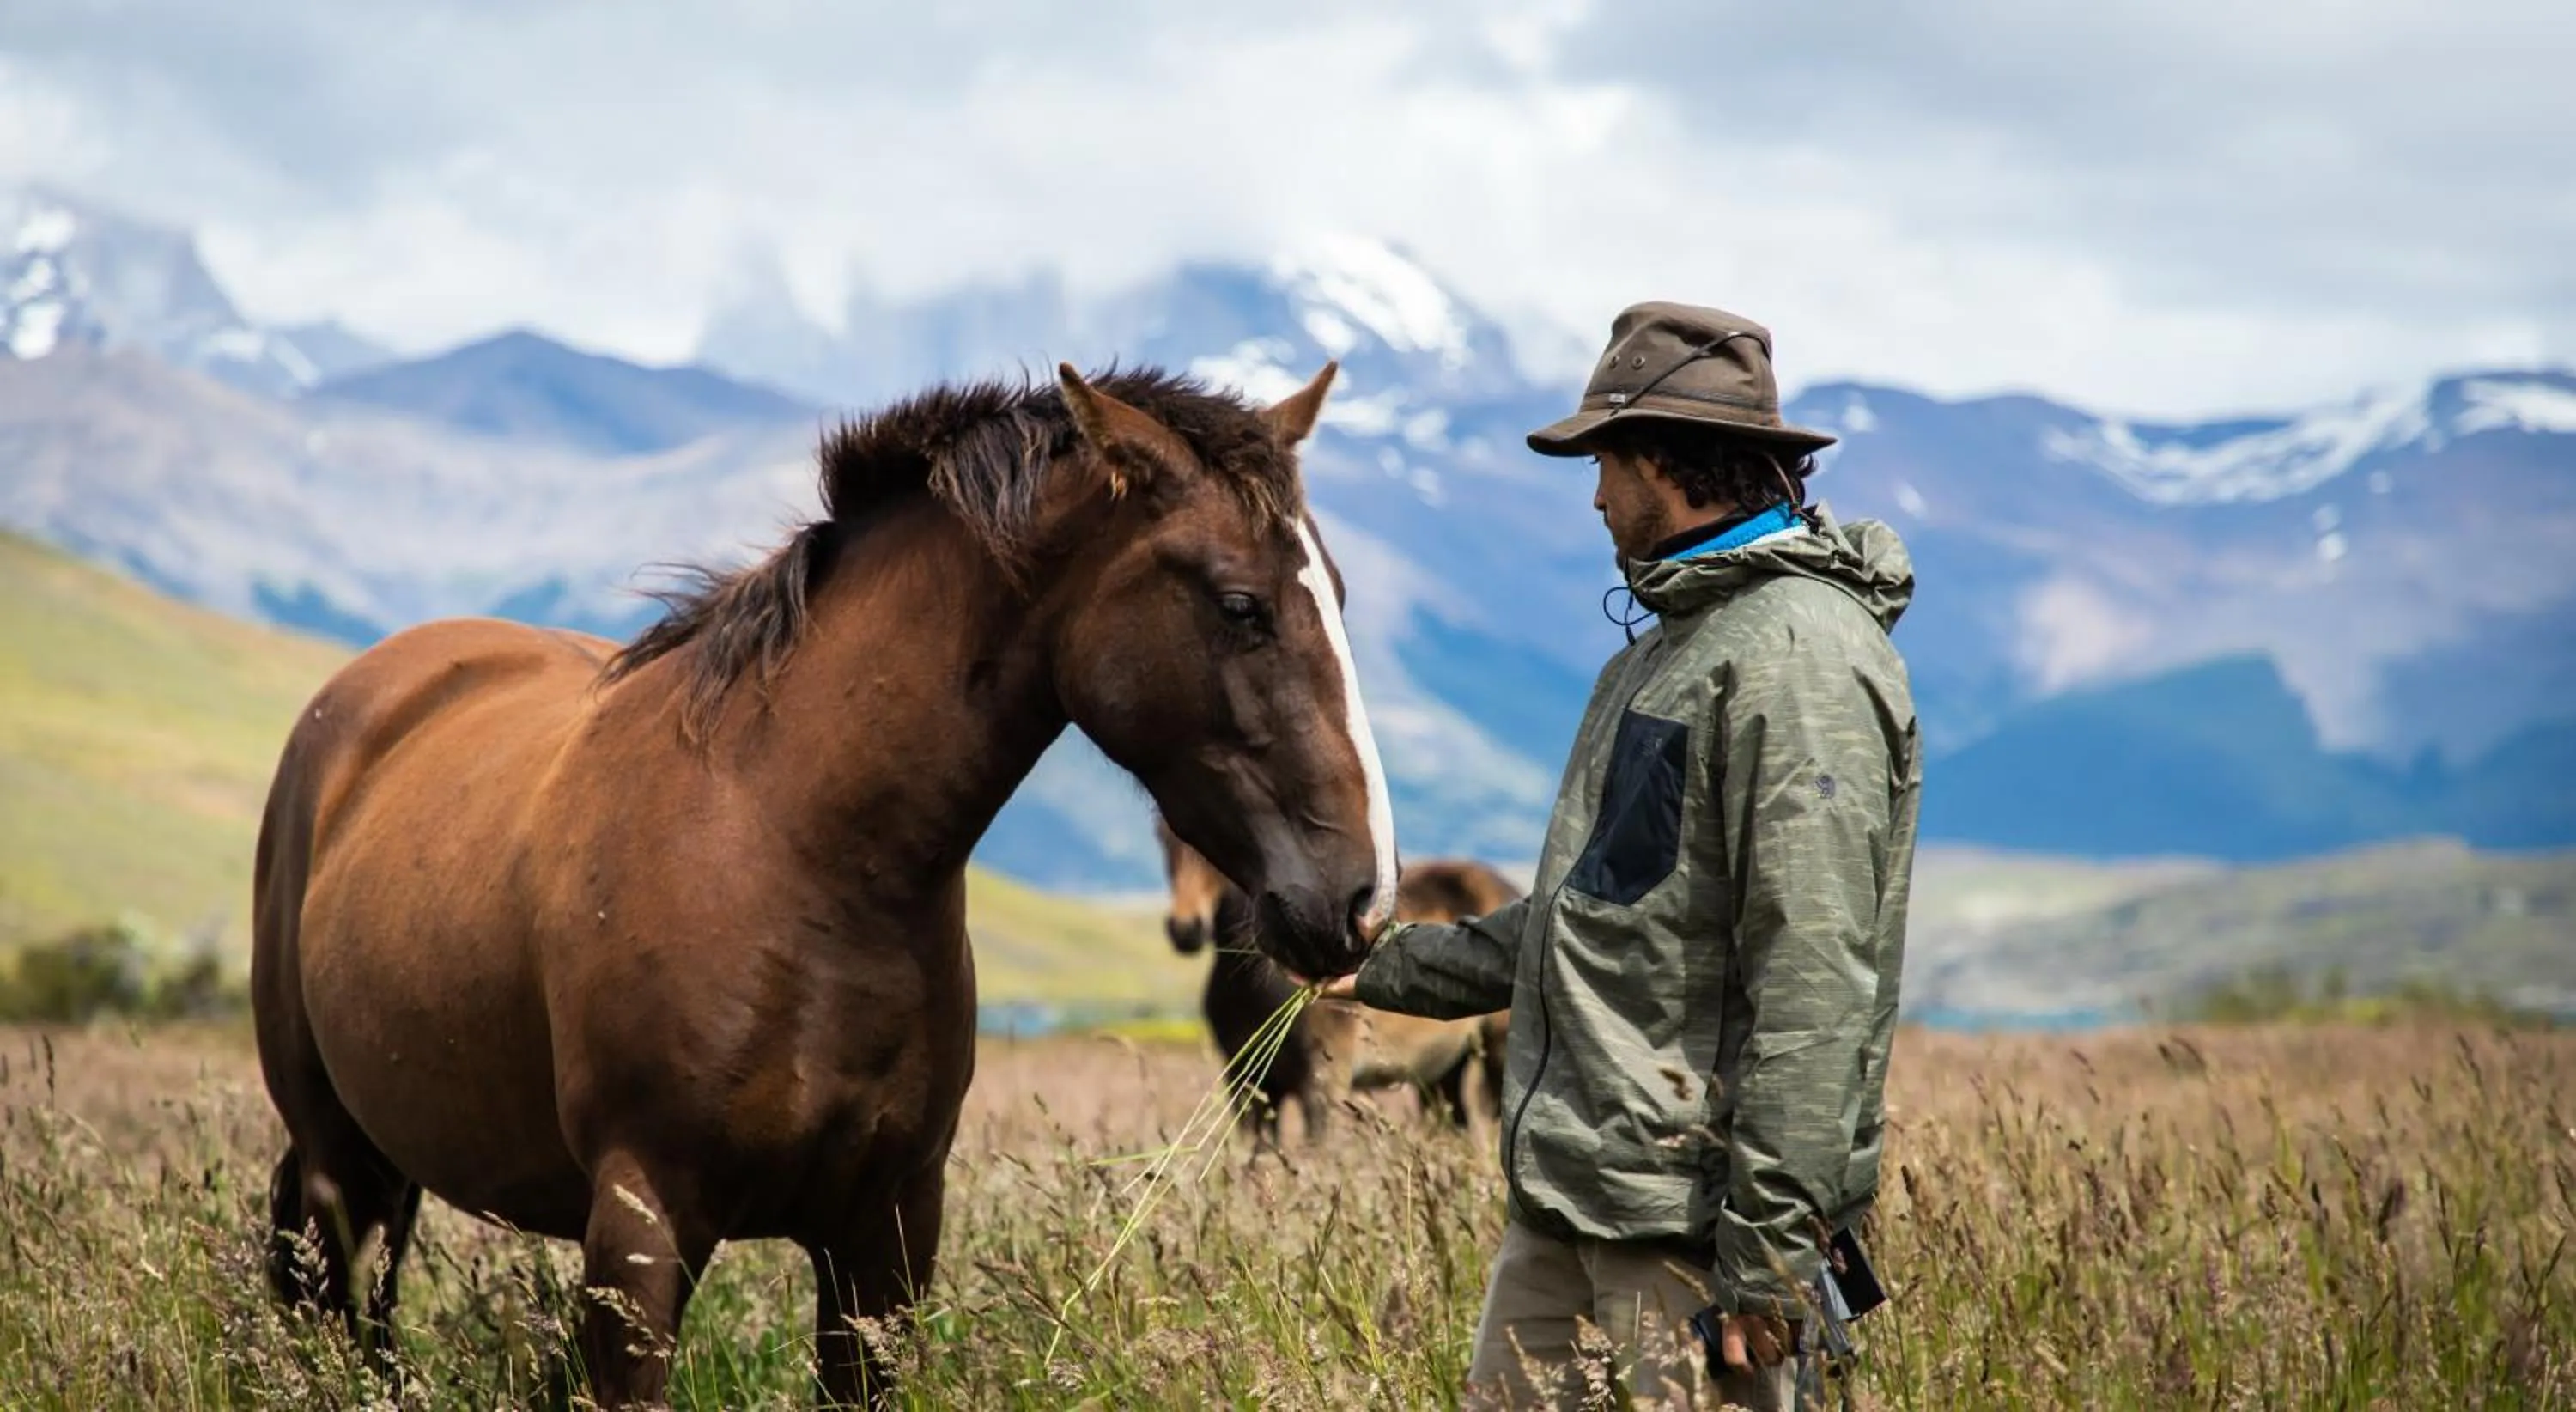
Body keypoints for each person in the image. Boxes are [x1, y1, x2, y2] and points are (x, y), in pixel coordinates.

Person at [1328, 301, 1920, 1409]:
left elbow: (1814, 976)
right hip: (1575, 1199)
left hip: (1696, 1229)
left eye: (1603, 462)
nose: (1595, 495)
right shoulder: (1664, 659)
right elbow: (1593, 918)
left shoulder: (1799, 663)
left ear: (1662, 460)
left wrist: (1772, 1260)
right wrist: (1387, 963)